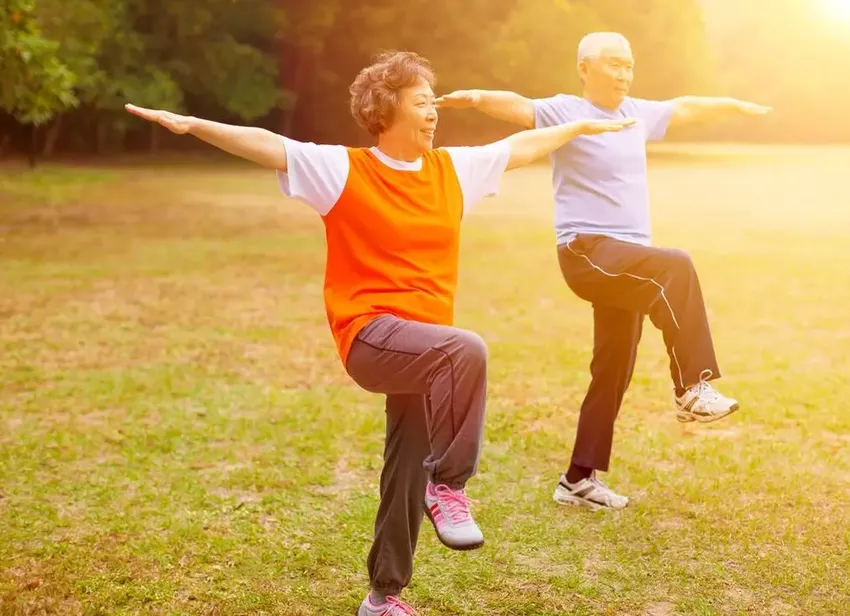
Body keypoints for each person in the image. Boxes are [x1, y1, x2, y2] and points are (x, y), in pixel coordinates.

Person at [125, 50, 634, 615]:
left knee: (404, 465)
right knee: (466, 351)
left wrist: (580, 124)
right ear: (385, 110)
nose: (433, 113)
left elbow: (519, 148)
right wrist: (192, 123)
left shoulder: (451, 171)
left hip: (424, 351)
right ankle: (450, 485)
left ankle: (382, 597)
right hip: (371, 336)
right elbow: (266, 143)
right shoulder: (343, 169)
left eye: (433, 101)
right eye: (421, 102)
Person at [436, 32, 772, 512]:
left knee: (613, 368)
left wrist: (734, 106)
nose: (623, 74)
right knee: (674, 267)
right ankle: (693, 386)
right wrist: (476, 98)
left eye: (629, 66)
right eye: (613, 64)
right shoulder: (566, 111)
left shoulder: (636, 114)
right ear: (584, 67)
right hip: (587, 251)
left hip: (626, 263)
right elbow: (517, 106)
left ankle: (577, 479)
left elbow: (685, 107)